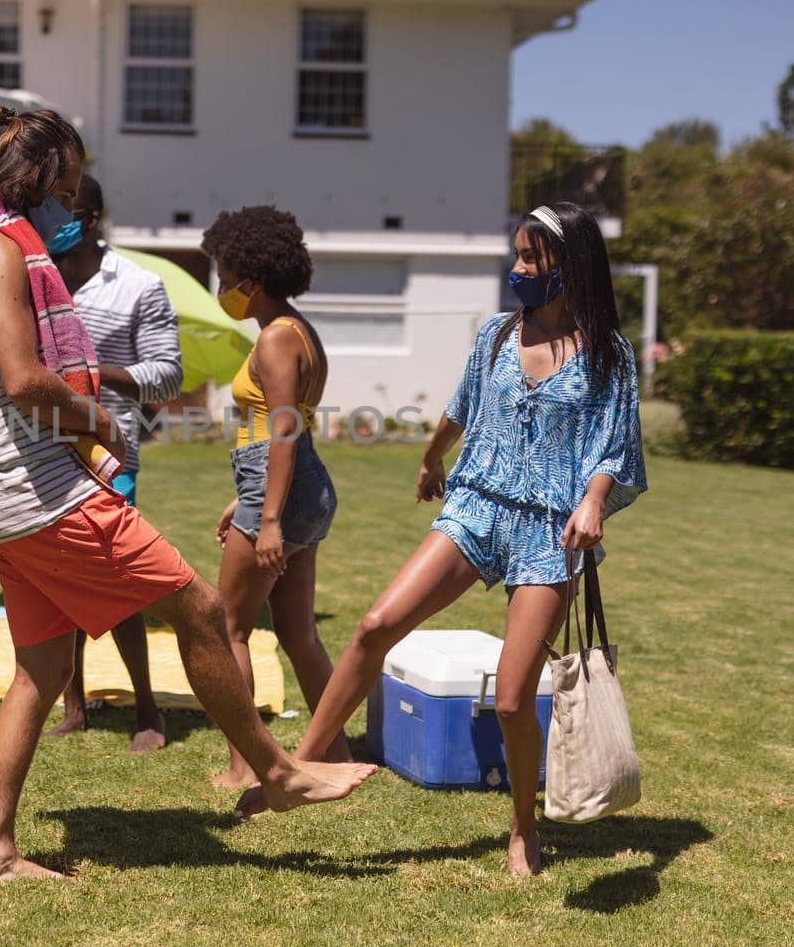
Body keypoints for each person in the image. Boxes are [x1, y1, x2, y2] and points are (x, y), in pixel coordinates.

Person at [0, 106, 376, 882]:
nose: (71, 207)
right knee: (200, 608)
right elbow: (27, 379)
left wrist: (1, 452)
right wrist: (98, 421)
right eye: (64, 188)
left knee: (39, 672)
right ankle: (279, 771)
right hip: (52, 500)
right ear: (34, 181)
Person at [234, 203, 646, 878]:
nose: (516, 269)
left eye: (530, 259)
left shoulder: (608, 353)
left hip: (548, 528)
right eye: (516, 254)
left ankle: (522, 825)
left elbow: (614, 445)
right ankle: (299, 771)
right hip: (477, 506)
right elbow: (462, 405)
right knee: (373, 624)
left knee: (513, 697)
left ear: (568, 267)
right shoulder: (493, 335)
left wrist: (594, 500)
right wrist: (431, 457)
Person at [199, 206, 350, 789]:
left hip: (279, 488)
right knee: (297, 632)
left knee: (229, 630)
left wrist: (265, 520)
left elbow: (281, 429)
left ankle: (245, 768)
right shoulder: (300, 329)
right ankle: (336, 752)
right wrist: (247, 501)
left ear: (252, 280)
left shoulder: (273, 340)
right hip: (295, 485)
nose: (221, 287)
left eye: (223, 273)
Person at [45, 174, 182, 751]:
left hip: (110, 452)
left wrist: (97, 377)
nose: (52, 222)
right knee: (58, 580)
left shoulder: (139, 286)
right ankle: (73, 704)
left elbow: (168, 376)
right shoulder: (33, 280)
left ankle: (148, 708)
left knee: (117, 574)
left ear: (92, 218)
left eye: (63, 211)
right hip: (45, 449)